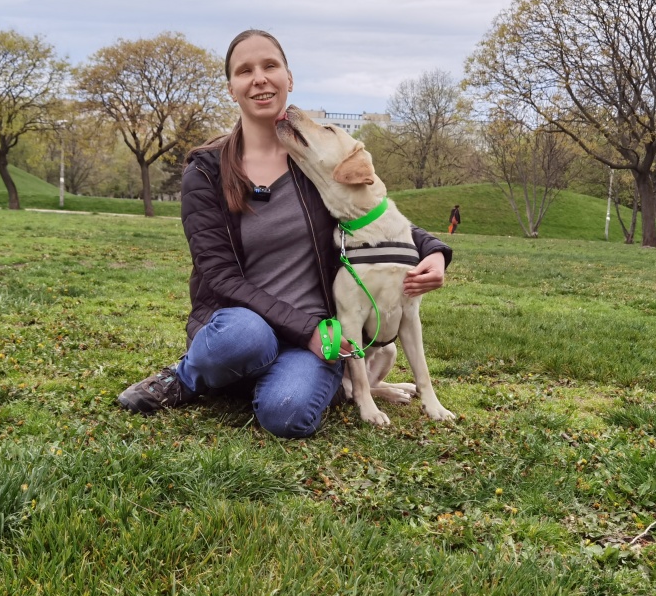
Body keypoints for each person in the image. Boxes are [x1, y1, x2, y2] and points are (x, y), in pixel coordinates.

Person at [117, 29, 452, 438]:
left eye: (270, 66)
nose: (259, 78)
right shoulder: (205, 171)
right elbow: (219, 276)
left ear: (288, 79)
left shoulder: (312, 162)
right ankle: (187, 377)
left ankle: (257, 379)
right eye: (245, 71)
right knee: (244, 338)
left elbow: (372, 214)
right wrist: (303, 330)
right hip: (243, 324)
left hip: (315, 336)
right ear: (232, 89)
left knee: (289, 414)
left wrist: (433, 250)